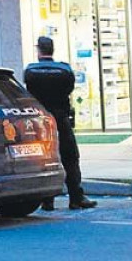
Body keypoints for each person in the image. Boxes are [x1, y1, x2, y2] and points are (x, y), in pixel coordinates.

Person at [24, 36, 97, 211]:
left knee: (45, 159)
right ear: (52, 50)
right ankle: (76, 197)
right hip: (61, 118)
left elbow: (29, 92)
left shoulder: (30, 71)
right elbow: (69, 89)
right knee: (70, 158)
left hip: (41, 121)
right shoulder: (64, 70)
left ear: (38, 50)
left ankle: (48, 200)